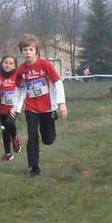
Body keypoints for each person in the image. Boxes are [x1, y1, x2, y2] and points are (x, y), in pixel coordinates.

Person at [10, 34, 68, 176]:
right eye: (25, 50)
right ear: (22, 52)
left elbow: (58, 83)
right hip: (31, 108)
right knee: (32, 136)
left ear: (36, 51)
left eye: (31, 49)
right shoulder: (21, 70)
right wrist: (15, 106)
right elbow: (19, 88)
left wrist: (61, 103)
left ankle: (49, 131)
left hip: (48, 107)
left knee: (48, 139)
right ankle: (34, 167)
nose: (28, 52)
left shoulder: (45, 65)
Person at [0, 56, 22, 161]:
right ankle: (8, 154)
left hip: (14, 107)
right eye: (5, 62)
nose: (8, 65)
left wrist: (18, 105)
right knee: (4, 130)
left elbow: (22, 89)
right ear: (2, 64)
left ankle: (15, 138)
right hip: (2, 109)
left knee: (9, 123)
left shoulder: (17, 75)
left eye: (11, 63)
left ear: (15, 66)